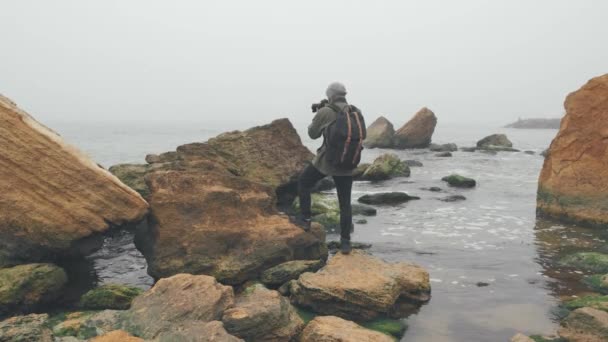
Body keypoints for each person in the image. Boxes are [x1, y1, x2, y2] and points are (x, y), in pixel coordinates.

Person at [297, 82, 365, 254]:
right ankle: (345, 243)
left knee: (304, 182)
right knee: (345, 204)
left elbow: (312, 134)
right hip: (347, 164)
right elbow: (362, 135)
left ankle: (305, 220)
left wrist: (319, 114)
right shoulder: (355, 112)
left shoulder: (326, 111)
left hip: (326, 162)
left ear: (330, 95)